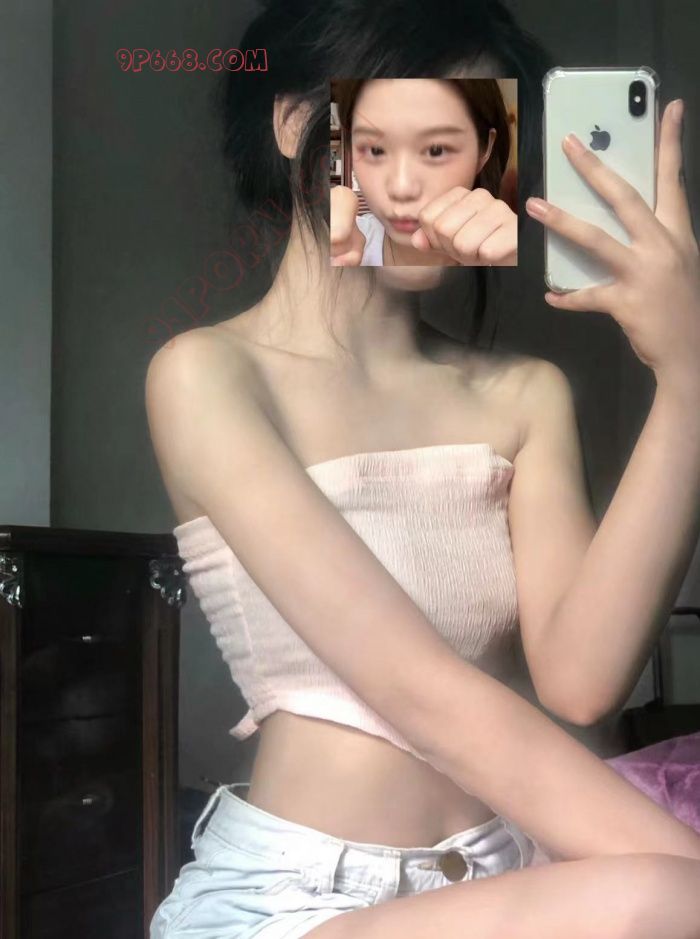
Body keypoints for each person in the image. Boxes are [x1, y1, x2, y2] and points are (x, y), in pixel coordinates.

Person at [145, 1, 700, 937]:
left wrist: (688, 377)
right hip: (297, 899)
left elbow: (582, 681)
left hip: (505, 872)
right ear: (298, 124)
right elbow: (426, 696)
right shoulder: (208, 376)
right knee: (663, 897)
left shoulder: (524, 394)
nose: (434, 188)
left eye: (467, 144)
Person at [331, 78, 516, 267]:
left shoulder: (512, 258)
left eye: (436, 150)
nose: (401, 189)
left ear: (484, 149)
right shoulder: (333, 249)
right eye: (375, 150)